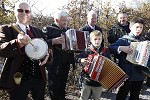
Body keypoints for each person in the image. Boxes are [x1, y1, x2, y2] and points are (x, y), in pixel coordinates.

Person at [0, 1, 47, 100]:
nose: (24, 13)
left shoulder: (38, 31)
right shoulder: (6, 29)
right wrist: (17, 43)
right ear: (14, 13)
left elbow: (47, 49)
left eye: (27, 11)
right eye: (20, 10)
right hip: (18, 78)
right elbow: (1, 49)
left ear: (30, 14)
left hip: (39, 76)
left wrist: (48, 56)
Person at [109, 17, 146, 100]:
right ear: (130, 27)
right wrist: (121, 48)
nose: (139, 29)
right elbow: (111, 48)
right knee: (121, 95)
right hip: (125, 74)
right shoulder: (124, 39)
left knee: (135, 96)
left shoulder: (143, 41)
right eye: (137, 27)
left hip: (139, 75)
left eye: (141, 28)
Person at [42, 10, 75, 100]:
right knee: (54, 86)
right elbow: (40, 43)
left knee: (63, 84)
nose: (66, 22)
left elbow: (73, 45)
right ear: (56, 20)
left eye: (66, 20)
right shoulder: (48, 29)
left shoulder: (68, 30)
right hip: (54, 63)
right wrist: (52, 41)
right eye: (64, 20)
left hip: (66, 62)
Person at [75, 30, 110, 100]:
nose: (97, 41)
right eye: (95, 39)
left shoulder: (105, 51)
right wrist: (81, 60)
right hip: (87, 80)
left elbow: (109, 63)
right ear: (91, 40)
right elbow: (76, 58)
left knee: (96, 98)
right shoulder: (87, 50)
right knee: (83, 98)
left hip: (99, 82)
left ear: (102, 40)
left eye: (99, 39)